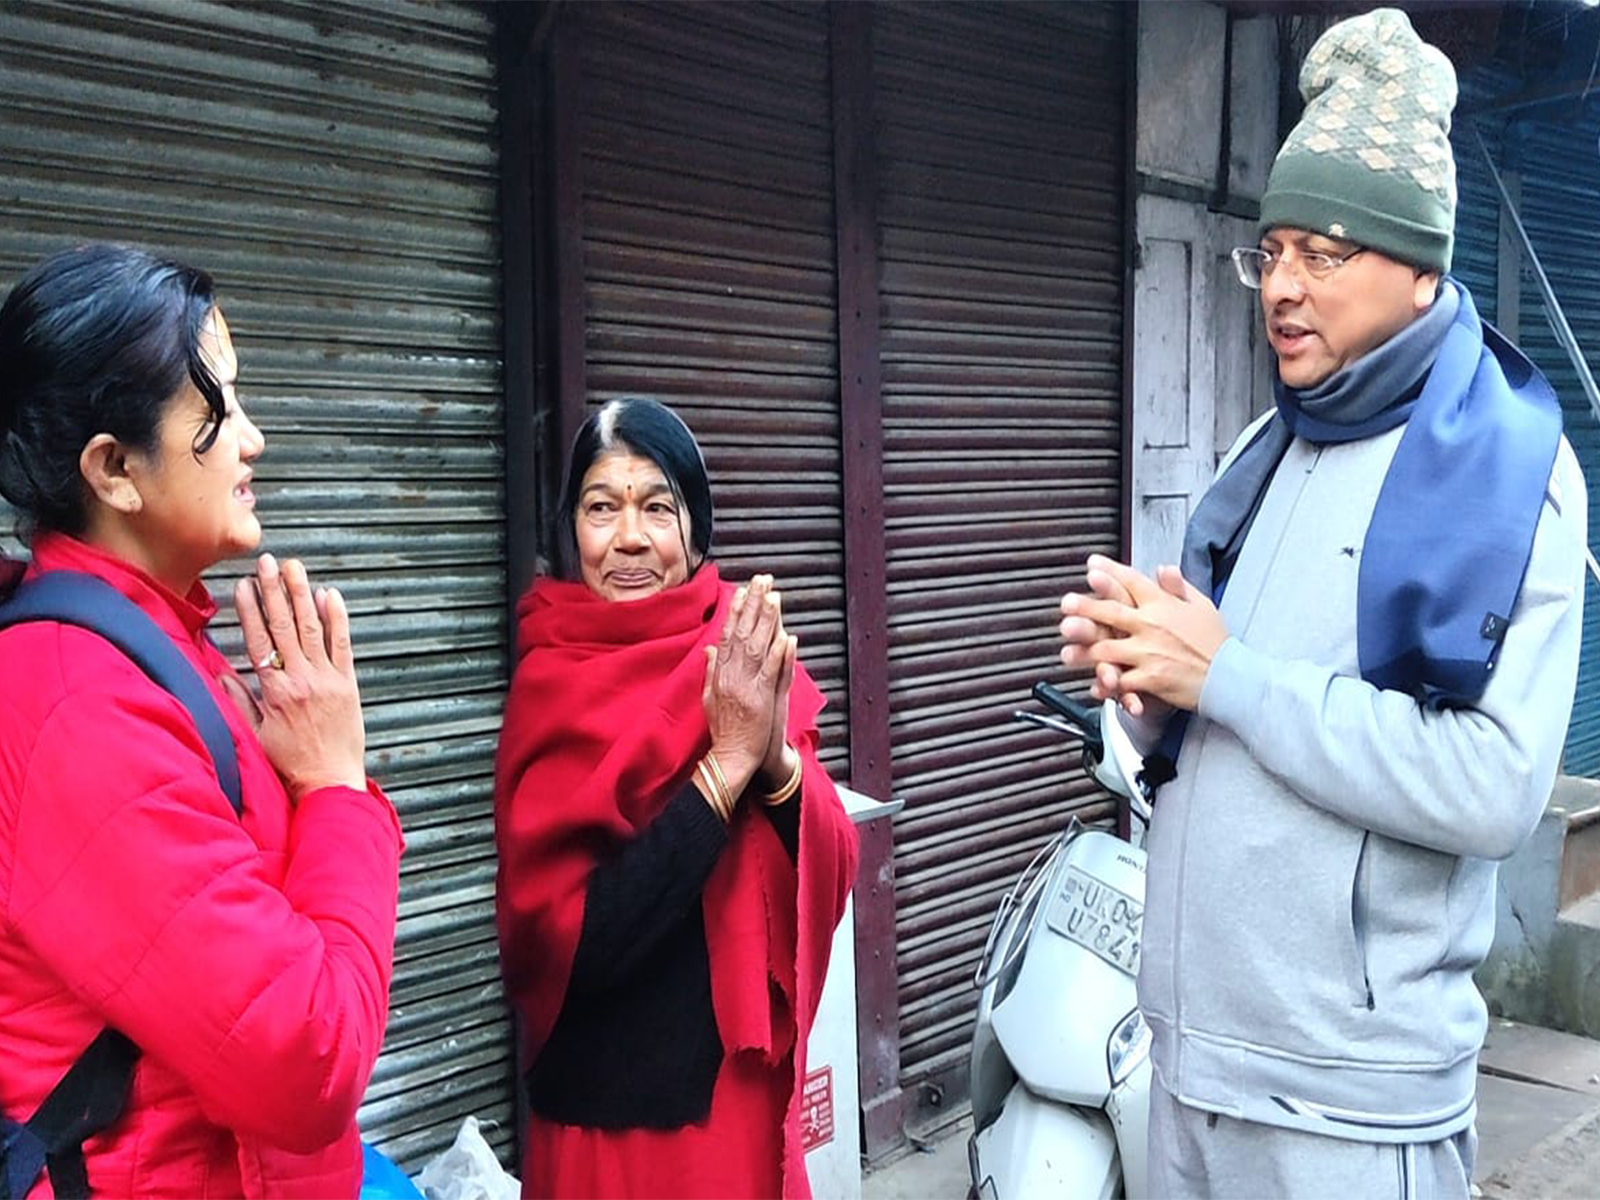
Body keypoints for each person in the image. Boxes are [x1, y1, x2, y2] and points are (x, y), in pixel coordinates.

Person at [1058, 11, 1586, 1198]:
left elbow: (1492, 785)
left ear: (1419, 268)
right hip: (1193, 1058)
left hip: (1343, 1100)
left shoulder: (1503, 469)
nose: (1280, 288)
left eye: (1324, 253)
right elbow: (1224, 721)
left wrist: (1225, 675)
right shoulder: (1270, 442)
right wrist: (1147, 684)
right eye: (1272, 249)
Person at [0, 243, 403, 1198]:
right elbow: (305, 1060)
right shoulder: (76, 704)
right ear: (115, 470)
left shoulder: (152, 643)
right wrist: (338, 789)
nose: (254, 439)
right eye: (219, 408)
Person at [493, 397, 859, 1199]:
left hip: (730, 1108)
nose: (629, 538)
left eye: (657, 507)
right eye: (600, 508)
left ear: (696, 529)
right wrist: (722, 773)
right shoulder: (549, 679)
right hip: (601, 1122)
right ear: (571, 527)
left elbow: (834, 856)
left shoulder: (738, 653)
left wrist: (774, 770)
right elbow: (561, 945)